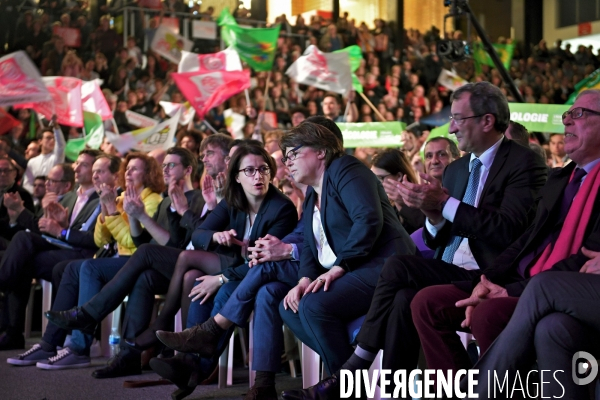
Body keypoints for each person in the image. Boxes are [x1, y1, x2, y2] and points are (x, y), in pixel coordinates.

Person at [282, 81, 548, 400]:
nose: (450, 128)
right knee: (402, 297)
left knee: (397, 272)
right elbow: (440, 238)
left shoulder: (523, 163)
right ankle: (394, 392)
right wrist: (432, 214)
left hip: (494, 273)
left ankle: (354, 370)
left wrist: (445, 205)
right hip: (451, 268)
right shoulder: (458, 169)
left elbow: (507, 229)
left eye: (458, 119)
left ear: (487, 121)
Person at [47, 144, 297, 372]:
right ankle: (155, 355)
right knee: (169, 274)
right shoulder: (225, 199)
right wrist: (215, 235)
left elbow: (259, 259)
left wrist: (188, 216)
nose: (258, 176)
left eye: (263, 169)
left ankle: (107, 318)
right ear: (238, 176)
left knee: (157, 256)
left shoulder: (279, 207)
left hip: (241, 268)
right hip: (214, 261)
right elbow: (197, 235)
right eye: (250, 170)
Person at [411, 89, 600, 380]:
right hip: (515, 277)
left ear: (486, 121)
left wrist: (508, 290)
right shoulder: (562, 178)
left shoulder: (525, 163)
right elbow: (526, 241)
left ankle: (480, 390)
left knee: (493, 313)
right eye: (566, 115)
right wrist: (486, 282)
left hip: (550, 286)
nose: (567, 123)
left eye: (578, 114)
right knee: (424, 302)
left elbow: (579, 258)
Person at [36, 153, 164, 370]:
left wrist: (112, 212)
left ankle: (79, 347)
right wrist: (106, 209)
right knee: (70, 268)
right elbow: (100, 239)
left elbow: (134, 243)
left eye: (135, 169)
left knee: (89, 267)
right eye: (128, 168)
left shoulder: (153, 200)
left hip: (136, 262)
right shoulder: (121, 197)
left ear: (148, 174)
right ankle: (49, 342)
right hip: (120, 261)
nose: (129, 172)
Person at [0, 152, 101, 350]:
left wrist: (61, 230)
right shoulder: (72, 197)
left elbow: (93, 239)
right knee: (18, 257)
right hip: (59, 247)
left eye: (84, 165)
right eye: (76, 164)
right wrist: (61, 227)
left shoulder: (100, 198)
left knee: (19, 253)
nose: (76, 168)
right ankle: (12, 333)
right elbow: (46, 229)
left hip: (80, 254)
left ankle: (12, 331)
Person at [370, 149, 424, 234]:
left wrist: (402, 204)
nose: (375, 184)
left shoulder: (421, 200)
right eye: (372, 178)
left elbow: (425, 229)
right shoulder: (383, 204)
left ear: (399, 176)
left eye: (380, 178)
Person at [22, 115, 66, 194]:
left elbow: (61, 145)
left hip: (52, 197)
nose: (52, 141)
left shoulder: (56, 158)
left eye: (53, 138)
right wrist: (37, 193)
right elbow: (27, 183)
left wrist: (56, 128)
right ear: (40, 141)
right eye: (48, 138)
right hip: (35, 201)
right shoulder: (32, 162)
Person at [0, 156, 34, 249]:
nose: (2, 174)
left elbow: (26, 225)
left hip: (11, 240)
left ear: (14, 173)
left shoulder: (22, 195)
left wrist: (12, 221)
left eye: (6, 171)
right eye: (0, 171)